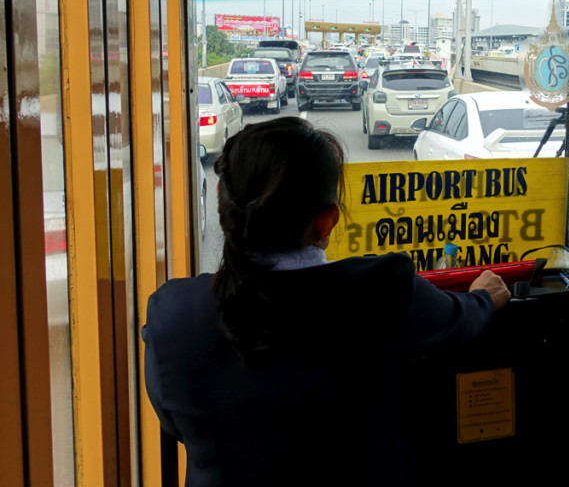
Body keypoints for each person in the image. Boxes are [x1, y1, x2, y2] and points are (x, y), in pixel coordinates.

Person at [143, 118, 510, 486]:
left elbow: (175, 419)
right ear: (325, 223)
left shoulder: (172, 316)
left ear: (222, 201)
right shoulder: (381, 288)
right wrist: (483, 296)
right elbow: (458, 321)